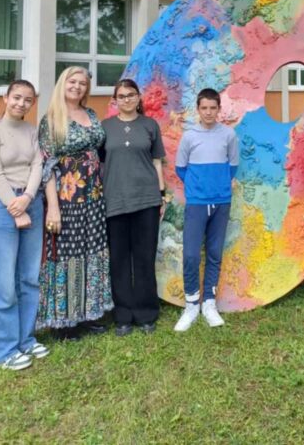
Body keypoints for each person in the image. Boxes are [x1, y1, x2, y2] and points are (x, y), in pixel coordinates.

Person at [36, 66, 112, 339]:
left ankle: (88, 312)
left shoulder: (90, 114)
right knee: (67, 255)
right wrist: (53, 208)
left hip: (94, 197)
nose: (77, 86)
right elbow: (47, 166)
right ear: (62, 83)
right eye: (72, 81)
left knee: (92, 250)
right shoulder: (51, 119)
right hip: (67, 198)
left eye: (82, 83)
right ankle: (64, 321)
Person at [0, 80, 46, 369]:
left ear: (32, 103)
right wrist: (15, 208)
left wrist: (28, 197)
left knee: (29, 277)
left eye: (27, 100)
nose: (21, 103)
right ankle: (4, 350)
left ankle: (25, 340)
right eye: (16, 97)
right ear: (5, 97)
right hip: (5, 208)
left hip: (32, 202)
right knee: (3, 282)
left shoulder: (32, 131)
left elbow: (37, 165)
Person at [102, 79, 166, 337]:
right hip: (115, 200)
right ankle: (123, 315)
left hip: (146, 200)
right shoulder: (105, 127)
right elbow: (101, 164)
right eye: (121, 96)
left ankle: (146, 313)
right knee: (118, 259)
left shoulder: (150, 125)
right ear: (115, 100)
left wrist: (161, 194)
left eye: (131, 95)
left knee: (144, 258)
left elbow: (157, 162)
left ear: (139, 97)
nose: (126, 99)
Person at [173, 88, 239, 332]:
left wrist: (218, 185)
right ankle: (191, 304)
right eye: (204, 108)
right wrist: (198, 187)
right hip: (197, 203)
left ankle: (209, 303)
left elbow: (233, 166)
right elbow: (181, 168)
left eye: (213, 108)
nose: (209, 112)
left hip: (221, 201)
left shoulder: (228, 135)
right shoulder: (189, 136)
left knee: (214, 253)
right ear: (198, 110)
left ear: (219, 109)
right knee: (191, 254)